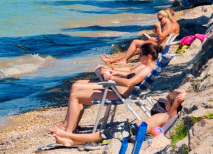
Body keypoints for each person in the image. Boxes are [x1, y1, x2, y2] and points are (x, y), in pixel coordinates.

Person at [51, 42, 161, 134]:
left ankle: (69, 132)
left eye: (141, 54)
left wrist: (111, 77)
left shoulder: (146, 69)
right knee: (76, 86)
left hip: (121, 92)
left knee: (75, 95)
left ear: (148, 56)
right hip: (119, 89)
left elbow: (129, 82)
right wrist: (113, 71)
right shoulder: (146, 65)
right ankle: (70, 125)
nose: (138, 56)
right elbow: (131, 71)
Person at [53, 90, 187, 146]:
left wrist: (177, 101)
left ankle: (67, 135)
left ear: (174, 105)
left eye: (168, 103)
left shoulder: (171, 115)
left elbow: (175, 105)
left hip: (130, 132)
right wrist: (184, 93)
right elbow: (177, 95)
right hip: (129, 128)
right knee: (102, 138)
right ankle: (70, 142)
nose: (165, 104)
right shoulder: (169, 114)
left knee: (98, 135)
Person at [100, 9, 178, 66]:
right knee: (136, 49)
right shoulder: (167, 25)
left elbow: (161, 37)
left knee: (135, 42)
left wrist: (159, 27)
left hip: (159, 47)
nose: (159, 21)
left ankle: (123, 60)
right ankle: (112, 60)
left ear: (165, 17)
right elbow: (161, 37)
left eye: (160, 19)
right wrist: (156, 31)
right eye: (158, 19)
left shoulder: (169, 25)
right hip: (159, 44)